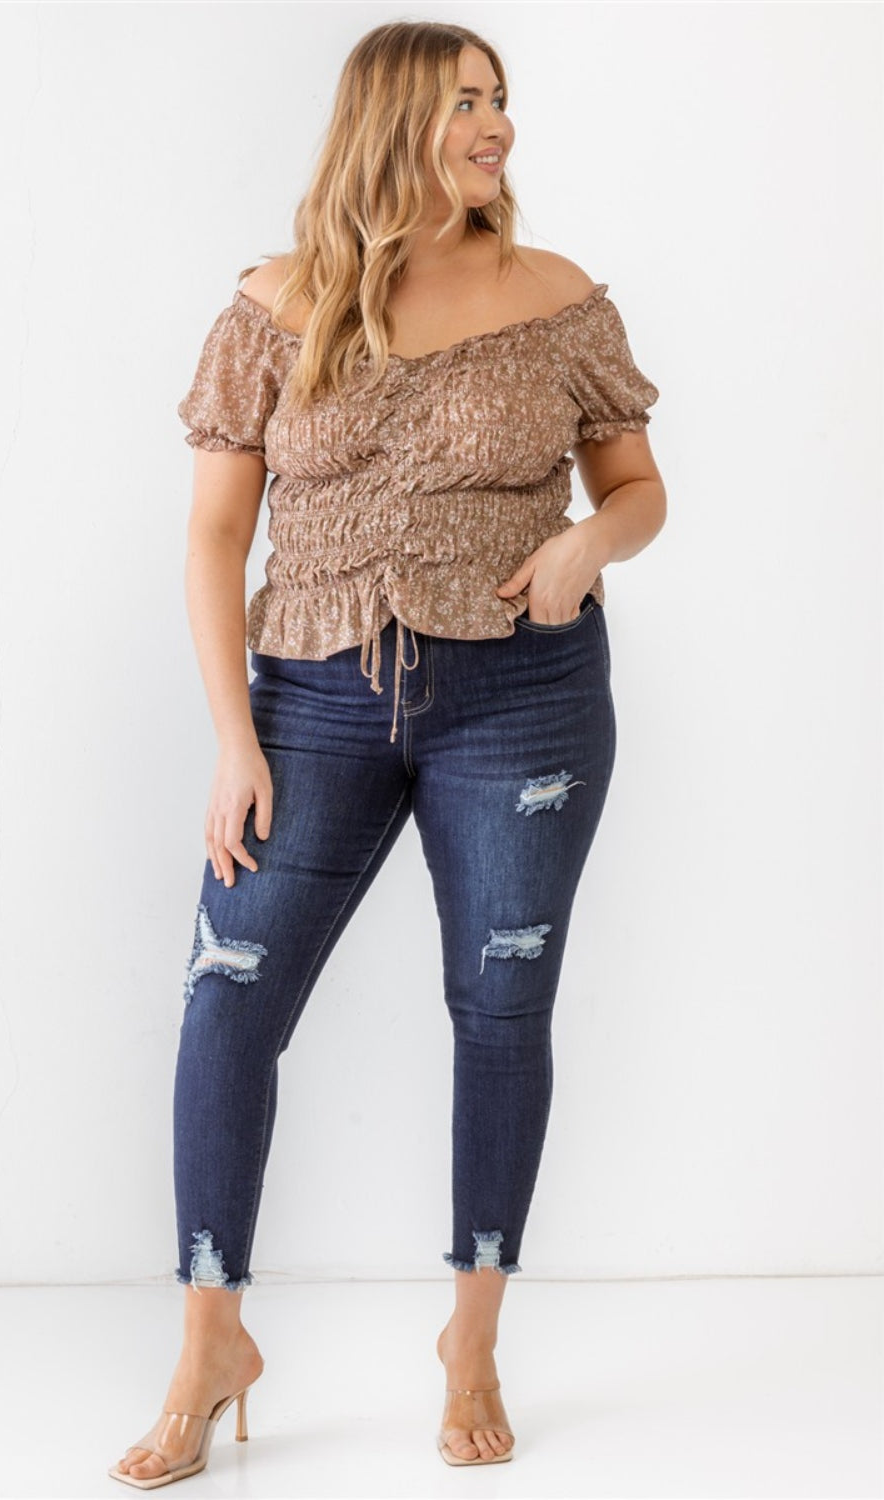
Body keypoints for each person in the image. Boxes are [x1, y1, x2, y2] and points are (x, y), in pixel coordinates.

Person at [109, 18, 665, 1489]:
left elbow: (641, 487)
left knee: (500, 1010)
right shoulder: (273, 305)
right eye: (469, 101)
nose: (498, 126)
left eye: (503, 100)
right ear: (395, 117)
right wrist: (233, 737)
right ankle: (208, 1340)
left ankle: (471, 1337)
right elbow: (217, 535)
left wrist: (588, 542)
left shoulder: (558, 299)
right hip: (312, 700)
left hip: (527, 701)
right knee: (227, 1003)